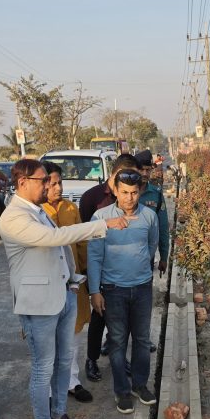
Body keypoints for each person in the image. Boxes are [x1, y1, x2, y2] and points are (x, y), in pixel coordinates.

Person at [0, 159, 130, 419]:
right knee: (43, 368)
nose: (48, 185)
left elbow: (61, 251)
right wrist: (102, 224)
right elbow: (54, 239)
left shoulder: (38, 211)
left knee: (62, 361)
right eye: (43, 180)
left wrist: (72, 280)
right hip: (39, 304)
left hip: (62, 294)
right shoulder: (14, 216)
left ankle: (59, 414)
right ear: (23, 183)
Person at [87, 169, 159, 414]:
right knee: (117, 342)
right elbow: (94, 257)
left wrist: (138, 269)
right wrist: (95, 291)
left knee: (141, 339)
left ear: (140, 191)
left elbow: (151, 247)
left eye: (134, 192)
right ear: (115, 190)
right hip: (113, 290)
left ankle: (140, 385)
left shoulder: (149, 216)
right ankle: (122, 391)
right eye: (125, 192)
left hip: (142, 288)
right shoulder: (100, 217)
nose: (130, 197)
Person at [79, 154, 142, 382]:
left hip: (124, 274)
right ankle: (91, 359)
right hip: (101, 271)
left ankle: (118, 355)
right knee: (99, 317)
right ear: (116, 175)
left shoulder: (133, 199)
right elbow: (85, 235)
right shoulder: (91, 198)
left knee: (121, 321)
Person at [41, 161, 93, 403]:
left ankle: (72, 381)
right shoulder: (37, 212)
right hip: (49, 285)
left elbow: (81, 243)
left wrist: (85, 273)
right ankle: (51, 389)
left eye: (59, 182)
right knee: (50, 341)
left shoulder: (71, 208)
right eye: (52, 183)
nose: (57, 188)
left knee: (73, 335)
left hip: (74, 283)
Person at [134, 149, 169, 277]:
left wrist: (164, 257)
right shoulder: (123, 193)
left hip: (147, 257)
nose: (145, 173)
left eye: (148, 170)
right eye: (141, 170)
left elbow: (163, 227)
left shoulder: (156, 194)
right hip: (124, 256)